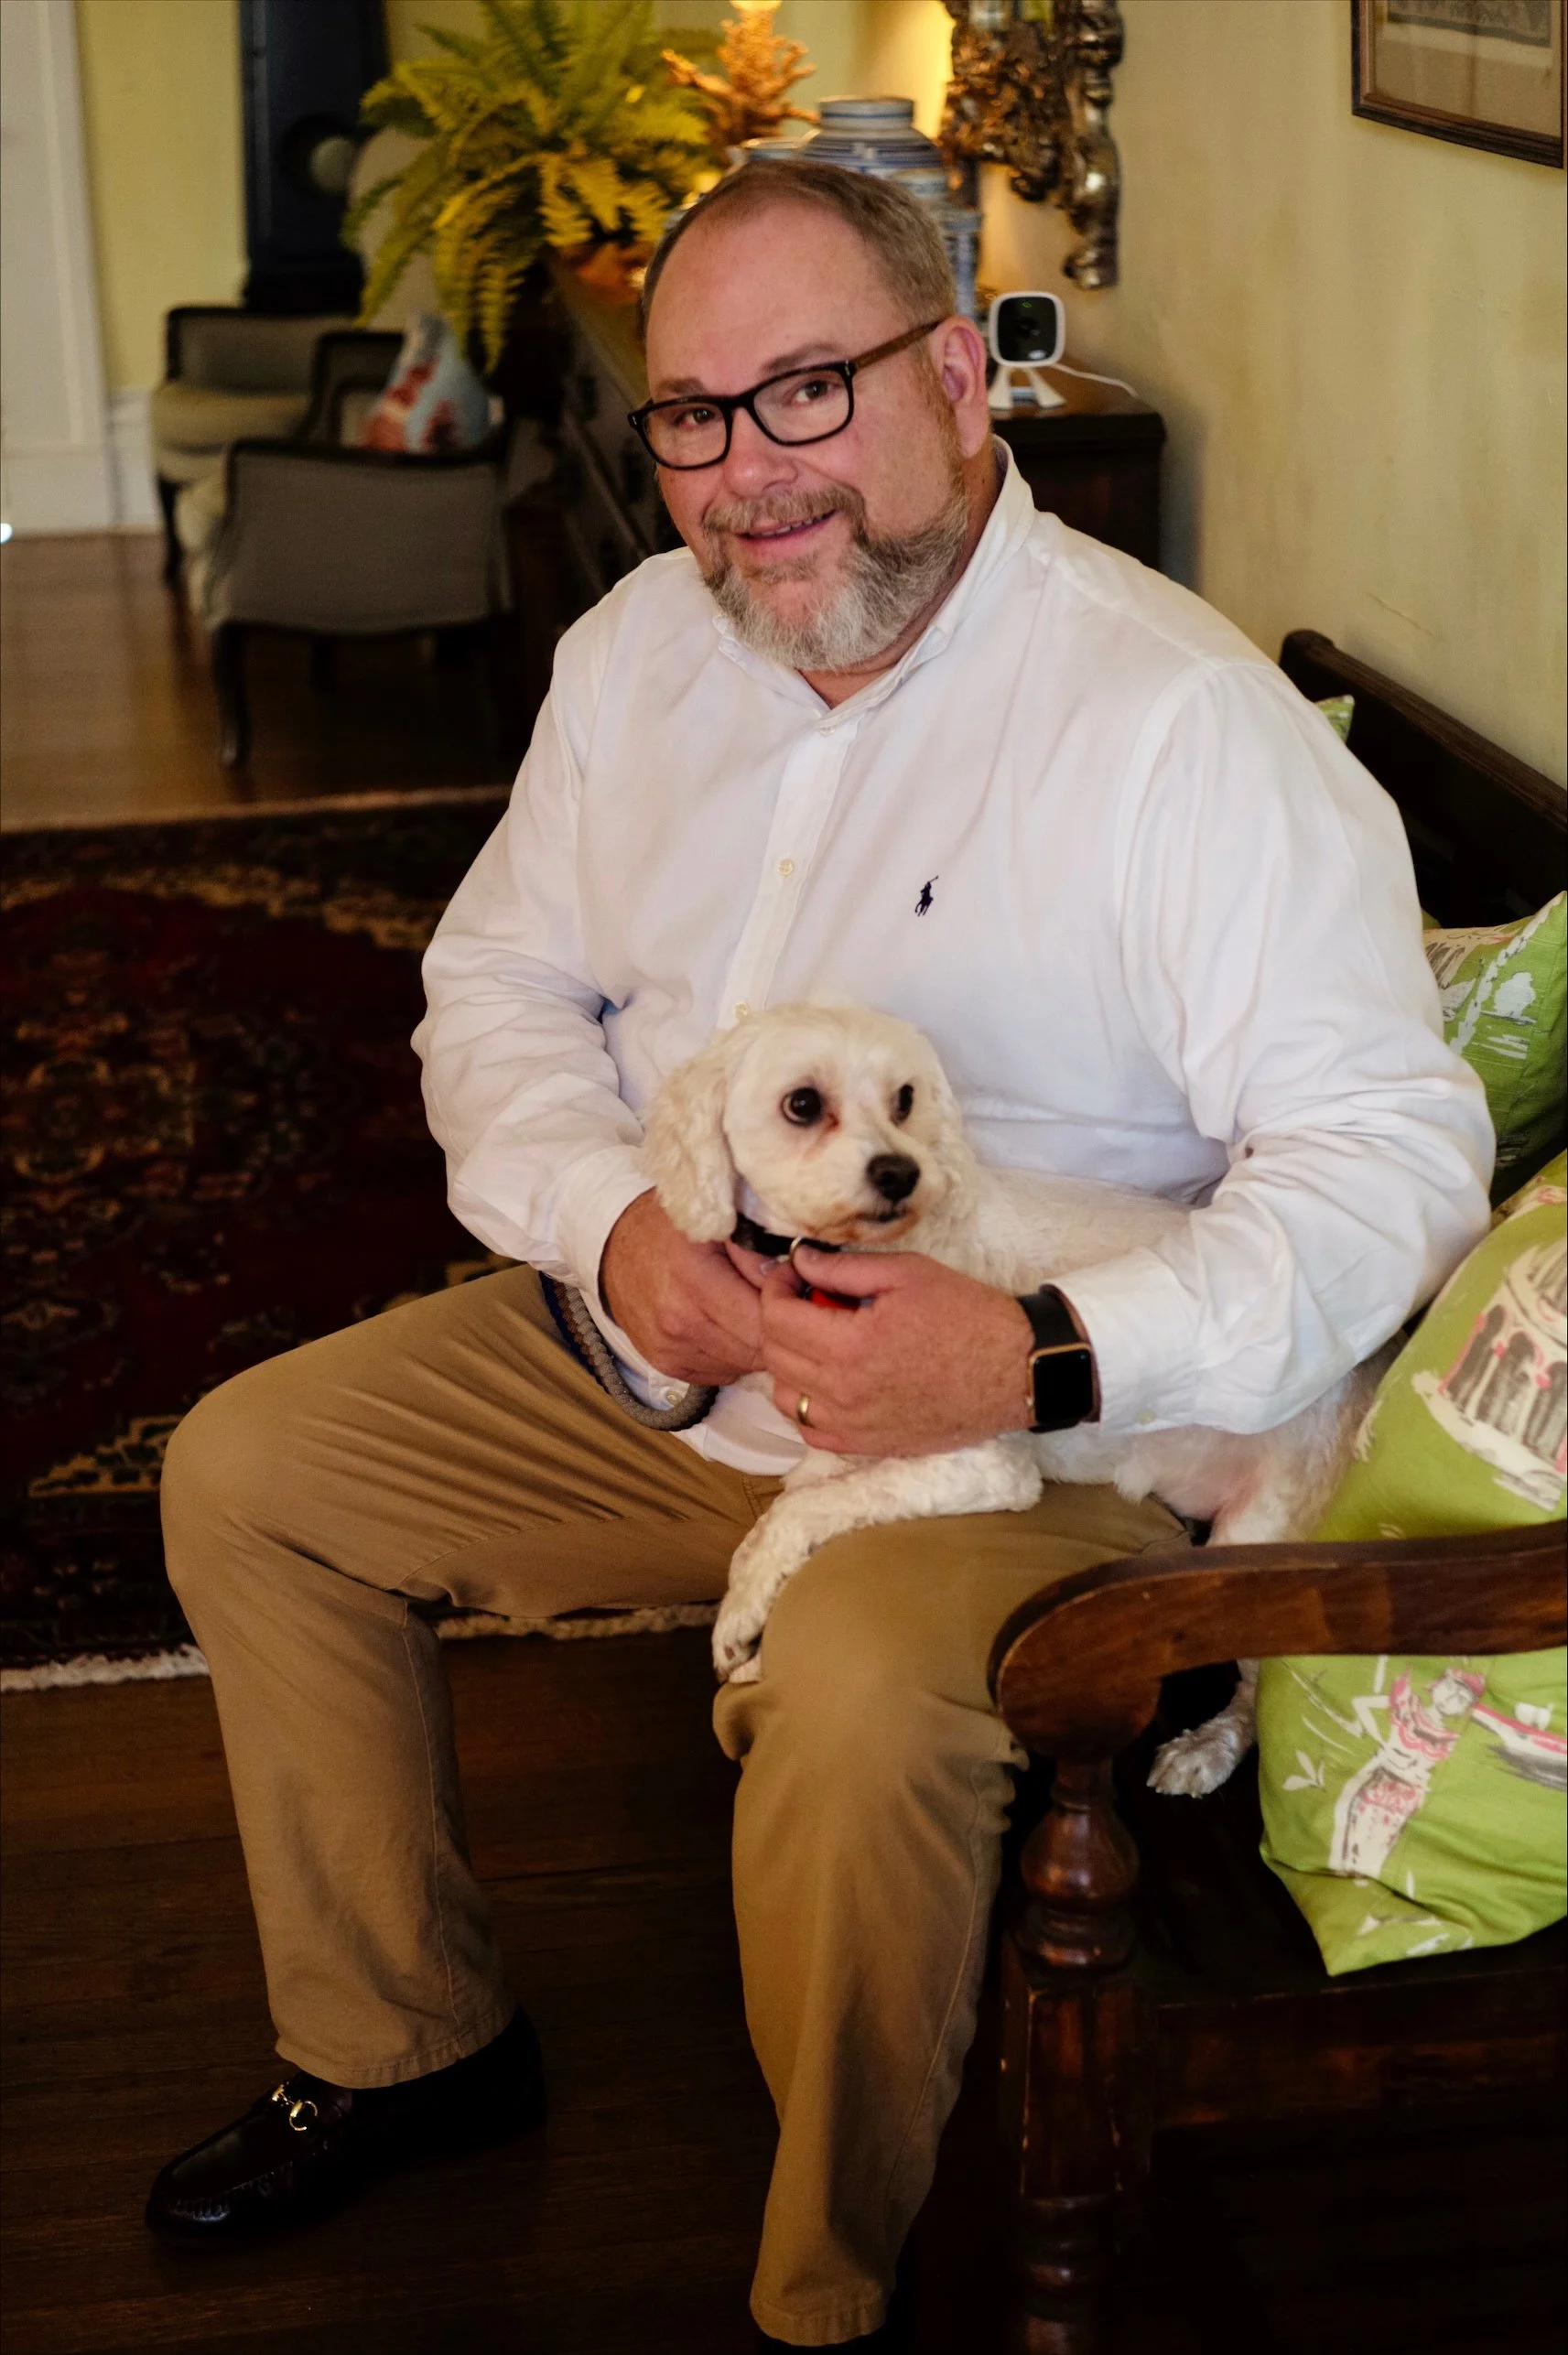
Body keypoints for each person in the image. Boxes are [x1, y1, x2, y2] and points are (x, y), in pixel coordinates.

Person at [146, 162, 1490, 2349]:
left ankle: (831, 2290)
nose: (747, 475)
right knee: (251, 1472)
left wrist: (1041, 1350)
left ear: (960, 380)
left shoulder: (1174, 727)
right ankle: (408, 2038)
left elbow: (1390, 1157)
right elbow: (491, 999)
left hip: (1024, 1439)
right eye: (694, 414)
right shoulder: (631, 661)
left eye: (808, 391)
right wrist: (610, 1224)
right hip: (665, 1345)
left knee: (862, 1709)